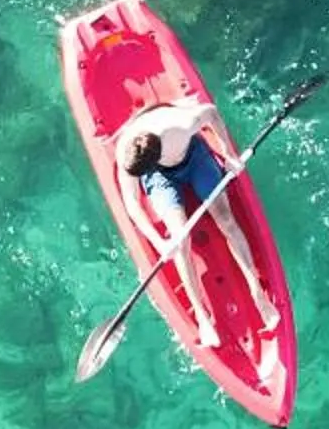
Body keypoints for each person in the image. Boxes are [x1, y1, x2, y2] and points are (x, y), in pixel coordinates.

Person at [111, 98, 277, 348]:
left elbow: (211, 113)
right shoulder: (128, 150)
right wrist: (160, 243)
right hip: (162, 178)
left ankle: (256, 290)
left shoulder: (180, 125)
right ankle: (202, 314)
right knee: (180, 241)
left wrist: (230, 154)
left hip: (193, 157)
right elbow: (133, 205)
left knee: (226, 219)